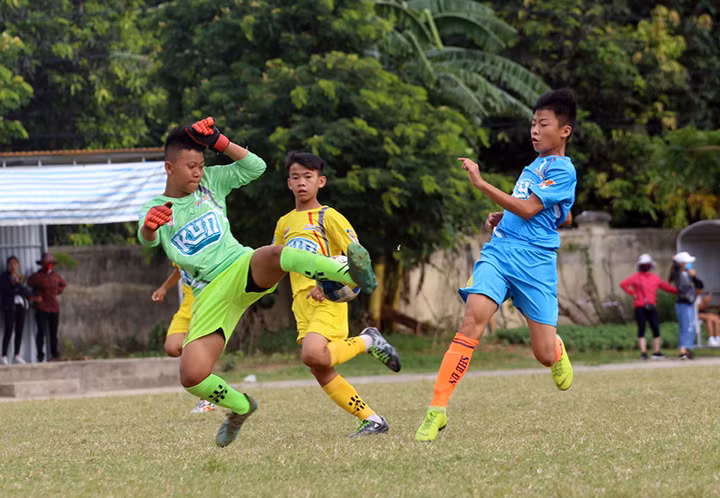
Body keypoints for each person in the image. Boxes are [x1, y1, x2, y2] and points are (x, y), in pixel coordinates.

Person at [138, 117, 377, 448]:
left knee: (275, 253)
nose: (197, 172)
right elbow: (147, 239)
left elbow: (255, 167)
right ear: (169, 167)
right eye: (191, 167)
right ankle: (241, 406)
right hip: (209, 294)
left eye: (201, 165)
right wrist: (150, 227)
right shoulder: (155, 207)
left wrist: (220, 141)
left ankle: (352, 274)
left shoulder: (210, 182)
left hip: (239, 266)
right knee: (192, 376)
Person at [415, 89, 577, 442]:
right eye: (533, 123)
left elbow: (531, 209)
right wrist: (504, 216)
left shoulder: (564, 170)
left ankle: (556, 349)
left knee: (543, 354)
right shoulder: (534, 166)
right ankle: (436, 410)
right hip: (500, 252)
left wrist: (481, 183)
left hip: (535, 265)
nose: (535, 130)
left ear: (564, 131)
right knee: (472, 319)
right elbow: (555, 214)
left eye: (543, 124)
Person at [273, 151, 401, 437]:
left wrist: (327, 284)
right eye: (296, 177)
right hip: (300, 304)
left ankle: (368, 340)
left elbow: (358, 258)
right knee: (319, 367)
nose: (301, 182)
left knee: (312, 354)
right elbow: (275, 261)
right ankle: (372, 420)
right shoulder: (284, 223)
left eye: (308, 177)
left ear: (321, 181)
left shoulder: (327, 216)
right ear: (289, 183)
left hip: (327, 299)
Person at [152, 264, 215, 413]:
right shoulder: (178, 251)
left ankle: (207, 399)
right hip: (186, 309)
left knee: (197, 351)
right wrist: (164, 287)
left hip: (206, 308)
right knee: (172, 348)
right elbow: (178, 269)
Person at [619, 254, 677, 360]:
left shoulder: (642, 277)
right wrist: (633, 293)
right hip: (644, 306)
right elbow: (623, 284)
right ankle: (649, 352)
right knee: (649, 328)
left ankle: (650, 353)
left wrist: (632, 293)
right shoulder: (647, 278)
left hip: (645, 306)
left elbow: (623, 284)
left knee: (650, 328)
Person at [28, 252, 66, 362]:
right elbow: (29, 284)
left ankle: (54, 354)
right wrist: (36, 296)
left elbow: (63, 285)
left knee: (53, 332)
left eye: (50, 263)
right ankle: (40, 355)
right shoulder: (37, 276)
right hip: (41, 307)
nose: (49, 265)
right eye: (46, 263)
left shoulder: (56, 275)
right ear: (42, 264)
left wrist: (57, 291)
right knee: (41, 331)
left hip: (54, 307)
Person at [668, 251, 702, 359]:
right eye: (687, 262)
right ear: (681, 263)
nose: (689, 264)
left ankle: (688, 349)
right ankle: (683, 351)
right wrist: (675, 261)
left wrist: (694, 276)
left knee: (691, 326)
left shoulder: (690, 274)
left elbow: (700, 285)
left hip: (690, 303)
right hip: (682, 303)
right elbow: (674, 272)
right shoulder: (677, 274)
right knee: (685, 327)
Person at [0, 256, 34, 365]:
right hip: (10, 306)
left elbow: (25, 291)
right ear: (7, 265)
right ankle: (4, 356)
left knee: (19, 330)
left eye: (15, 264)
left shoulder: (20, 277)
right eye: (10, 264)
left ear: (18, 265)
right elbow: (7, 291)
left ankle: (17, 355)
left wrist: (18, 287)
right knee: (9, 330)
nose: (13, 266)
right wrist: (18, 288)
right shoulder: (3, 277)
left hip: (21, 306)